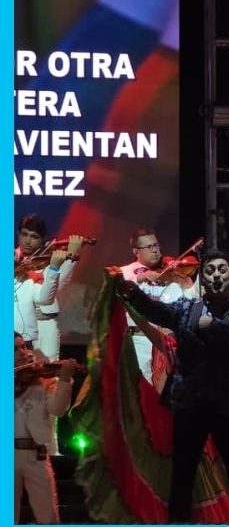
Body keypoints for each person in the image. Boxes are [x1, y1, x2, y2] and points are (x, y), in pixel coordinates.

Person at [117, 251, 229, 523]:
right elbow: (156, 311)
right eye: (209, 271)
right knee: (182, 478)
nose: (216, 275)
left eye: (221, 270)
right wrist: (131, 292)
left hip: (228, 406)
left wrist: (214, 327)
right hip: (190, 404)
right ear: (202, 279)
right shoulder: (186, 308)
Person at [119, 228, 198, 383]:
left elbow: (191, 303)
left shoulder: (171, 274)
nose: (155, 250)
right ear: (136, 251)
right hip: (141, 342)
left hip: (169, 343)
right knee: (142, 387)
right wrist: (141, 278)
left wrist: (186, 283)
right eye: (149, 247)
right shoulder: (126, 272)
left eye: (156, 245)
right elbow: (123, 288)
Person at [14, 333, 77, 524]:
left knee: (48, 518)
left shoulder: (42, 377)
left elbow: (58, 409)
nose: (24, 352)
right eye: (15, 349)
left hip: (37, 456)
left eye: (23, 346)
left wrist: (65, 380)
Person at [14, 214, 85, 361]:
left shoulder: (48, 259)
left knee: (47, 371)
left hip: (44, 323)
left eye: (34, 237)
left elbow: (55, 288)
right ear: (18, 234)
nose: (27, 241)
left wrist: (72, 257)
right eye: (24, 234)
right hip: (15, 323)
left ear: (42, 239)